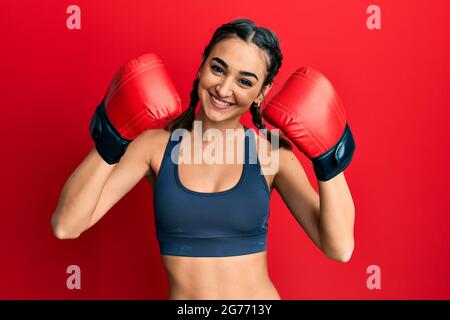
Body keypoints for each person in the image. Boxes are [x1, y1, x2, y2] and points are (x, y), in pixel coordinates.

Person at [51, 18, 356, 300]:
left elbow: (339, 248)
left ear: (262, 93)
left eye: (245, 82)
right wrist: (109, 141)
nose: (223, 89)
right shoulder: (154, 148)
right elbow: (66, 226)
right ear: (202, 67)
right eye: (218, 69)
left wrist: (329, 160)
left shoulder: (270, 154)